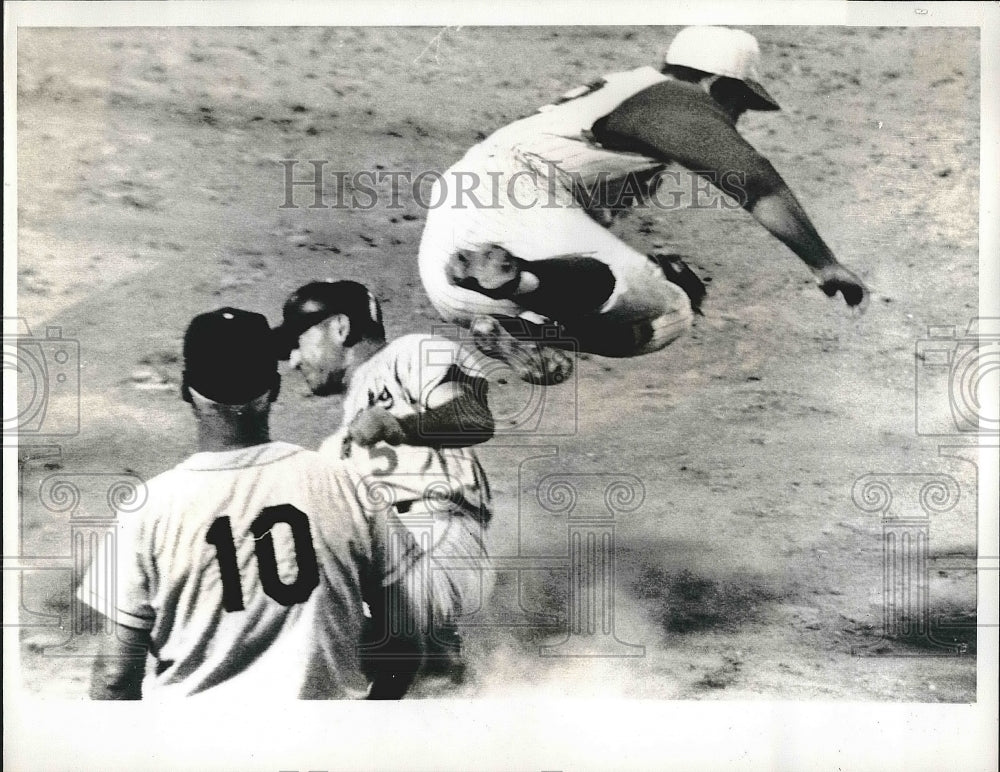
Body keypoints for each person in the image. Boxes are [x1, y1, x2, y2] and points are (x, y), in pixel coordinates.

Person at [418, 26, 870, 378]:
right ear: (717, 84)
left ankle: (518, 313)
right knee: (670, 308)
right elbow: (757, 184)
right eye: (741, 103)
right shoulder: (676, 98)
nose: (737, 116)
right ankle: (519, 279)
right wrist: (824, 263)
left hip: (449, 258)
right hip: (513, 197)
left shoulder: (616, 94)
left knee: (624, 314)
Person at [82, 307, 422, 699]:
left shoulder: (147, 508)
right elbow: (403, 644)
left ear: (186, 390)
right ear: (273, 389)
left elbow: (114, 675)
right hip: (326, 734)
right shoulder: (347, 483)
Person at [273, 280, 496, 681]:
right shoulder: (335, 446)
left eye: (297, 341)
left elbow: (474, 418)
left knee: (348, 648)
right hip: (392, 561)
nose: (292, 360)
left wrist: (399, 427)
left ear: (340, 327)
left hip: (437, 538)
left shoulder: (409, 353)